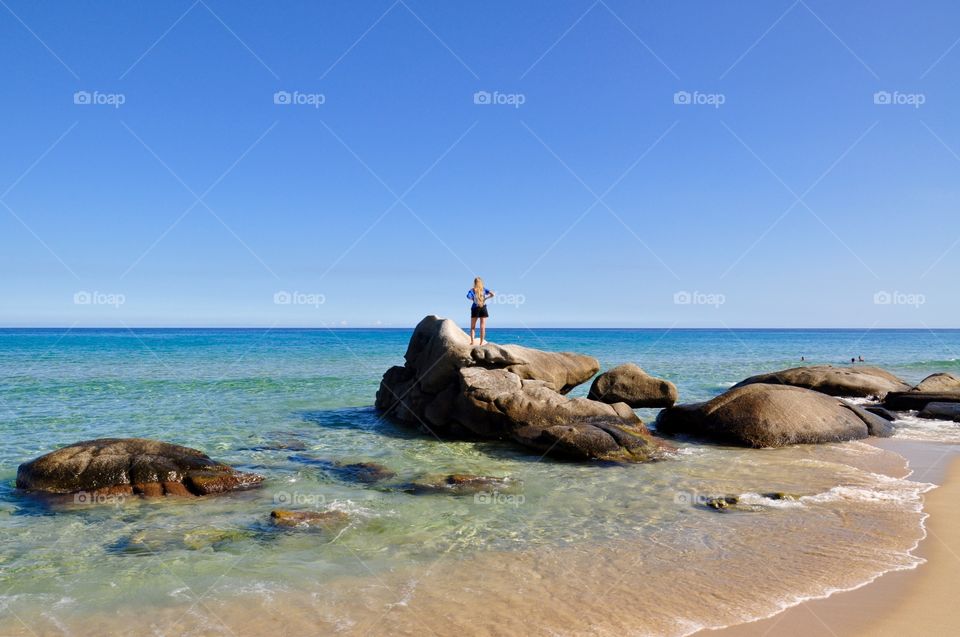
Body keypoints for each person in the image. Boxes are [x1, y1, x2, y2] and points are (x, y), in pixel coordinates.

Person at [467, 277, 495, 346]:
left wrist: (474, 299)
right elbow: (493, 294)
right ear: (481, 283)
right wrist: (485, 298)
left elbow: (468, 296)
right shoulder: (484, 289)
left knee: (473, 327)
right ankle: (481, 342)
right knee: (482, 326)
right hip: (483, 307)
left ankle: (472, 342)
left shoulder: (472, 290)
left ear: (474, 283)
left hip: (475, 308)